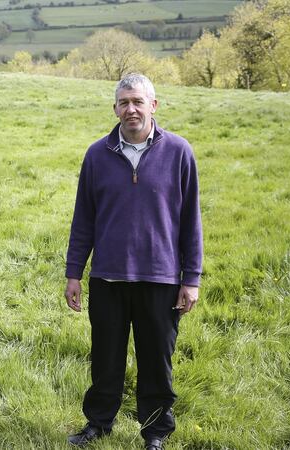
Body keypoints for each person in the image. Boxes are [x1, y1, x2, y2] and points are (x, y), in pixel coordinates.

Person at [64, 73, 202, 450]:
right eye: (124, 103)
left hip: (161, 280)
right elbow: (83, 220)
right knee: (105, 358)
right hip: (107, 278)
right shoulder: (97, 155)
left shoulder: (179, 152)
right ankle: (98, 423)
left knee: (157, 362)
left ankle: (155, 432)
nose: (131, 109)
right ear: (115, 109)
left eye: (138, 101)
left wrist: (191, 279)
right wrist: (74, 273)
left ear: (153, 106)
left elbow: (191, 221)